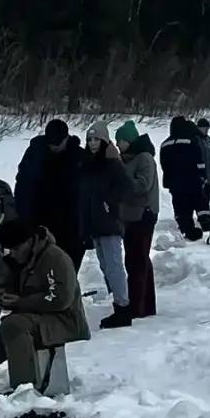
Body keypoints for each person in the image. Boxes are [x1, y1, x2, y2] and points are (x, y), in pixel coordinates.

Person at [0, 218, 90, 390]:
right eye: (10, 250)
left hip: (64, 321)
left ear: (30, 241)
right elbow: (6, 284)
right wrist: (1, 296)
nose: (14, 253)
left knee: (14, 325)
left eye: (17, 248)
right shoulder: (15, 260)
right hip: (32, 319)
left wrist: (20, 302)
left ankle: (25, 389)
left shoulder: (54, 258)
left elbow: (61, 299)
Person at [78, 122, 134, 329]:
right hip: (94, 223)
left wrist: (109, 203)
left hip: (109, 222)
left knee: (114, 266)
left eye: (96, 139)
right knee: (105, 266)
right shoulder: (86, 164)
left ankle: (123, 307)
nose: (93, 143)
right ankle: (118, 302)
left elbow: (125, 187)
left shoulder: (111, 162)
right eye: (90, 139)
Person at [14, 120, 85, 269]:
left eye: (57, 143)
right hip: (41, 224)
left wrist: (86, 228)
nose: (53, 147)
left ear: (66, 138)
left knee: (67, 272)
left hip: (71, 227)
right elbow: (23, 187)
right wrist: (26, 220)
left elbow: (88, 193)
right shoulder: (35, 153)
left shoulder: (78, 157)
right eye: (50, 143)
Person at [116, 120, 159, 319]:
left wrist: (120, 177)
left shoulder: (144, 158)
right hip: (131, 216)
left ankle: (137, 305)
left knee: (137, 260)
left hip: (144, 214)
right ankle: (146, 303)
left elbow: (142, 185)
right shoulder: (128, 159)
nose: (118, 145)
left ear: (130, 141)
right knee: (137, 258)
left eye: (121, 141)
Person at [161, 116, 206, 240]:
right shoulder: (191, 140)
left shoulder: (165, 144)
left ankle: (186, 228)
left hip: (174, 183)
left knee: (180, 207)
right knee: (199, 203)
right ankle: (208, 227)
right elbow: (199, 160)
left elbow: (164, 164)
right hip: (192, 180)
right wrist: (202, 175)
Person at [194, 119, 210, 214]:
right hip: (199, 176)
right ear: (199, 128)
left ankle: (205, 217)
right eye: (205, 128)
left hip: (209, 176)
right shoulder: (195, 139)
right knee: (200, 200)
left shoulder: (209, 140)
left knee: (207, 199)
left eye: (208, 129)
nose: (207, 130)